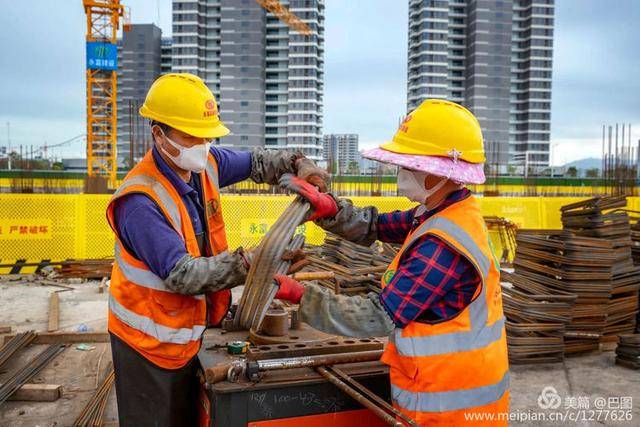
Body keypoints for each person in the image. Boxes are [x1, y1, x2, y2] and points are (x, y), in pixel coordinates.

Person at [105, 73, 329, 427]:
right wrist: (251, 262)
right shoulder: (141, 201)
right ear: (158, 133)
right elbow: (183, 275)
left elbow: (257, 162)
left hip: (191, 333)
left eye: (206, 135)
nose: (201, 143)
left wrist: (297, 162)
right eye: (189, 135)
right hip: (148, 346)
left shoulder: (203, 163)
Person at [275, 99, 509, 426]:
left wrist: (303, 296)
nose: (402, 172)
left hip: (446, 407)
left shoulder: (442, 249)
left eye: (410, 164)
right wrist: (332, 210)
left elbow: (376, 316)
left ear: (438, 171)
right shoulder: (444, 212)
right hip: (452, 391)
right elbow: (377, 226)